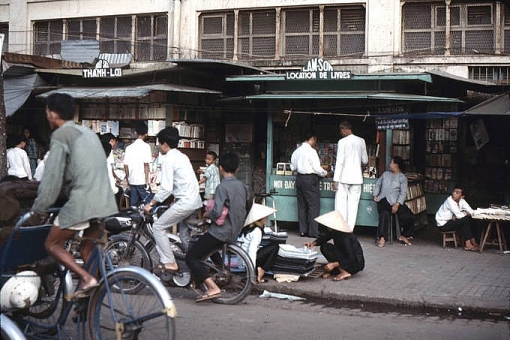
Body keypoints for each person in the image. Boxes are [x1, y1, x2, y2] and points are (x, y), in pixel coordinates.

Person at [31, 93, 118, 298]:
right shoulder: (87, 132)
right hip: (104, 200)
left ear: (52, 114)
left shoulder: (61, 135)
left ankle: (87, 279)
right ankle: (88, 299)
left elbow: (51, 180)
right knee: (87, 250)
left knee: (51, 244)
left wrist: (39, 210)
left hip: (83, 201)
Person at [185, 153, 249, 302]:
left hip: (221, 231)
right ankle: (214, 275)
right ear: (237, 169)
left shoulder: (222, 187)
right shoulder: (242, 186)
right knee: (207, 248)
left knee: (191, 256)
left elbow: (217, 212)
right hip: (235, 229)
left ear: (220, 168)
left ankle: (213, 287)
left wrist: (207, 214)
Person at [143, 126, 203, 272]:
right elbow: (184, 181)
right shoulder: (182, 156)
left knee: (158, 227)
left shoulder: (169, 159)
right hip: (194, 201)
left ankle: (170, 262)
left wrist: (151, 203)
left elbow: (166, 188)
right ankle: (195, 263)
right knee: (184, 234)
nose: (158, 146)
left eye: (159, 143)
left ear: (164, 144)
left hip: (185, 203)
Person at [304, 210, 364, 281]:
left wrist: (334, 264)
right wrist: (313, 243)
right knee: (325, 246)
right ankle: (335, 269)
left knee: (335, 257)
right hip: (344, 257)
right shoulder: (335, 232)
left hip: (355, 263)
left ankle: (344, 272)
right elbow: (325, 237)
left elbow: (351, 259)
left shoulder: (346, 238)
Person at [290, 132, 328, 238]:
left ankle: (302, 231)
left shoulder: (296, 151)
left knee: (302, 206)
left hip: (299, 179)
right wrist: (325, 173)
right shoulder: (312, 152)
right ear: (312, 138)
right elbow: (317, 168)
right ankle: (313, 232)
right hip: (310, 179)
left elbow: (292, 167)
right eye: (315, 140)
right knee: (313, 206)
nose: (315, 143)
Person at [333, 121, 368, 232]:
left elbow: (340, 162)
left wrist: (335, 180)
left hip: (344, 178)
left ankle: (340, 229)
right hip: (357, 178)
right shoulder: (361, 141)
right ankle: (349, 230)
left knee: (341, 204)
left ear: (343, 129)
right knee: (353, 206)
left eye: (341, 130)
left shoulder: (342, 142)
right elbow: (365, 160)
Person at [373, 156, 415, 247]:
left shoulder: (402, 178)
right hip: (383, 200)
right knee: (384, 213)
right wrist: (375, 195)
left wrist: (397, 204)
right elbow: (378, 185)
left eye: (391, 162)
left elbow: (403, 193)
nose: (390, 164)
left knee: (410, 216)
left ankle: (404, 235)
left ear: (396, 165)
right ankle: (382, 237)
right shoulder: (385, 174)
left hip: (395, 202)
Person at [237, 203, 279, 284]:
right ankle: (261, 271)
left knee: (268, 247)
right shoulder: (257, 231)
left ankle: (258, 269)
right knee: (275, 247)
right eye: (265, 217)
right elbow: (252, 250)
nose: (266, 218)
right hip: (247, 259)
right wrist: (251, 270)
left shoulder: (248, 227)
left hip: (242, 258)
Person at [123, 123, 153, 206]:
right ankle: (151, 217)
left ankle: (133, 217)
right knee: (149, 202)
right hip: (142, 180)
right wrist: (147, 181)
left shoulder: (129, 148)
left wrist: (128, 179)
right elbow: (146, 165)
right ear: (146, 134)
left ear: (135, 132)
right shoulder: (146, 147)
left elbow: (126, 165)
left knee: (134, 203)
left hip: (132, 180)